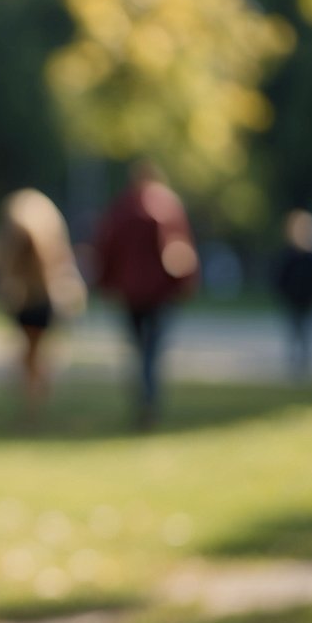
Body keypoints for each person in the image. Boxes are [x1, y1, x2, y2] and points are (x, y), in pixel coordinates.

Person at [92, 160, 198, 429]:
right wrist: (185, 283)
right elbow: (180, 249)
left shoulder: (122, 207)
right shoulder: (168, 206)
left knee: (140, 350)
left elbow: (107, 248)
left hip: (131, 291)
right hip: (160, 291)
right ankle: (148, 398)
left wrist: (105, 283)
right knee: (152, 350)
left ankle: (144, 397)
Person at [0, 188, 86, 422]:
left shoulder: (22, 232)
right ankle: (34, 394)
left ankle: (33, 396)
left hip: (32, 301)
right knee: (34, 353)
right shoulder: (39, 230)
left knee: (31, 353)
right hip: (34, 301)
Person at [271, 209, 312, 381]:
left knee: (306, 335)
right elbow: (280, 278)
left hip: (309, 302)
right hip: (292, 302)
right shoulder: (289, 256)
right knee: (293, 333)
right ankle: (294, 367)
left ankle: (304, 365)